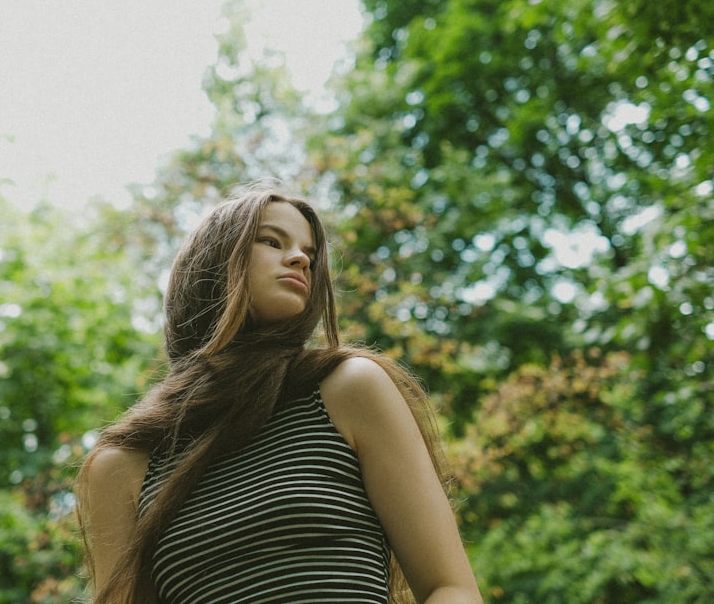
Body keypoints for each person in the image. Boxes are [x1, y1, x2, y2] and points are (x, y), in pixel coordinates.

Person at [75, 185, 482, 604]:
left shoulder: (349, 389)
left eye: (308, 251)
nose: (300, 258)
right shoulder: (123, 466)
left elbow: (450, 588)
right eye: (272, 241)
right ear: (213, 265)